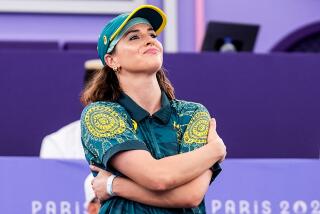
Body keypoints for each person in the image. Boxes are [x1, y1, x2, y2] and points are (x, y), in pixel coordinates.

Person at [80, 4, 226, 214]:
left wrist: (113, 185)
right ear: (112, 60)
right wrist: (215, 150)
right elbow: (158, 178)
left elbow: (192, 195)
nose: (150, 40)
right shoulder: (100, 114)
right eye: (134, 37)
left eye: (152, 34)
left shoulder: (192, 113)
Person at [40, 59, 103, 213]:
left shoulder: (144, 136)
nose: (108, 106)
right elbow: (51, 193)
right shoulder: (56, 143)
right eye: (100, 97)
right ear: (85, 99)